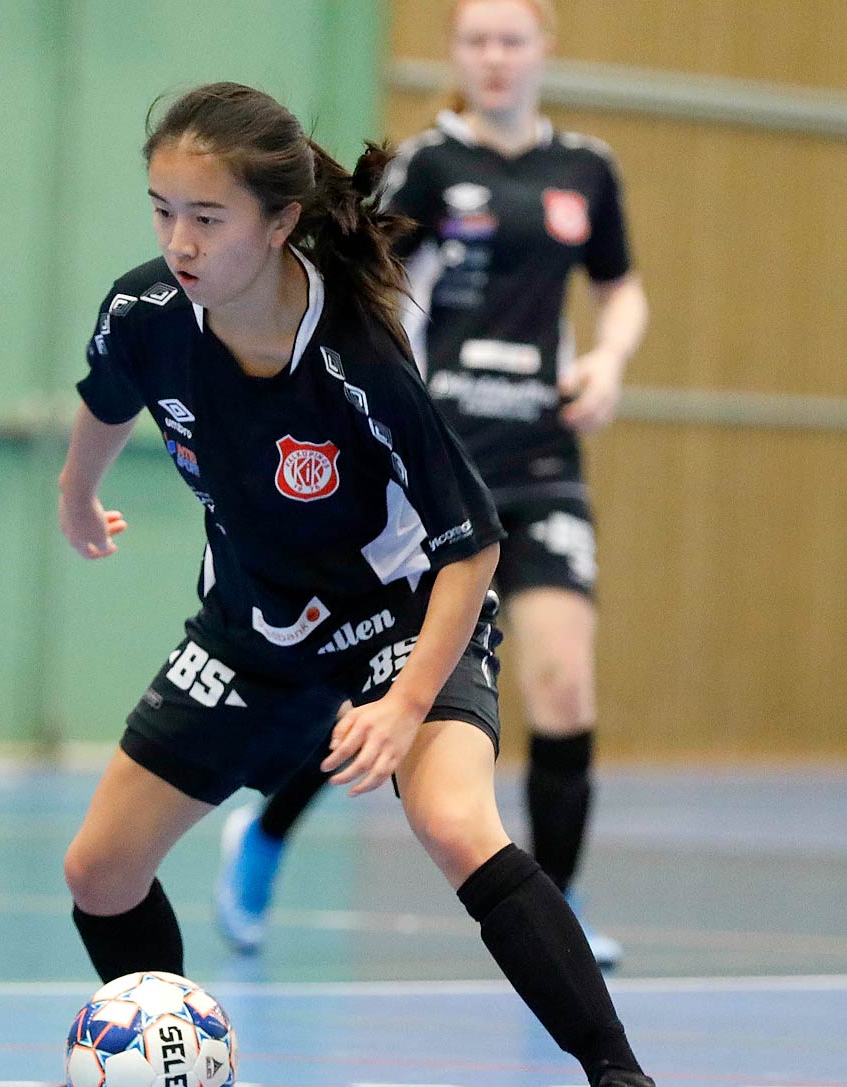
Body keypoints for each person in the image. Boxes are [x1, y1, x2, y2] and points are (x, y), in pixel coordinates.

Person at [26, 81, 678, 1087]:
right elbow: (105, 397)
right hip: (256, 632)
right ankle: (162, 1053)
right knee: (99, 871)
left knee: (454, 825)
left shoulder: (355, 354)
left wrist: (404, 701)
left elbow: (471, 544)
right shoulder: (144, 312)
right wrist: (72, 496)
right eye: (161, 211)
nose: (178, 241)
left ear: (278, 222)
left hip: (402, 619)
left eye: (207, 217)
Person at [216, 0, 647, 969]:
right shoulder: (427, 166)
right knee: (382, 687)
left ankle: (558, 900)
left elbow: (619, 286)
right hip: (433, 469)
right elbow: (352, 281)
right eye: (476, 41)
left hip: (539, 462)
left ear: (542, 48)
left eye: (512, 39)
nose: (494, 57)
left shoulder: (583, 170)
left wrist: (608, 359)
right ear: (457, 54)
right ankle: (266, 835)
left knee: (562, 681)